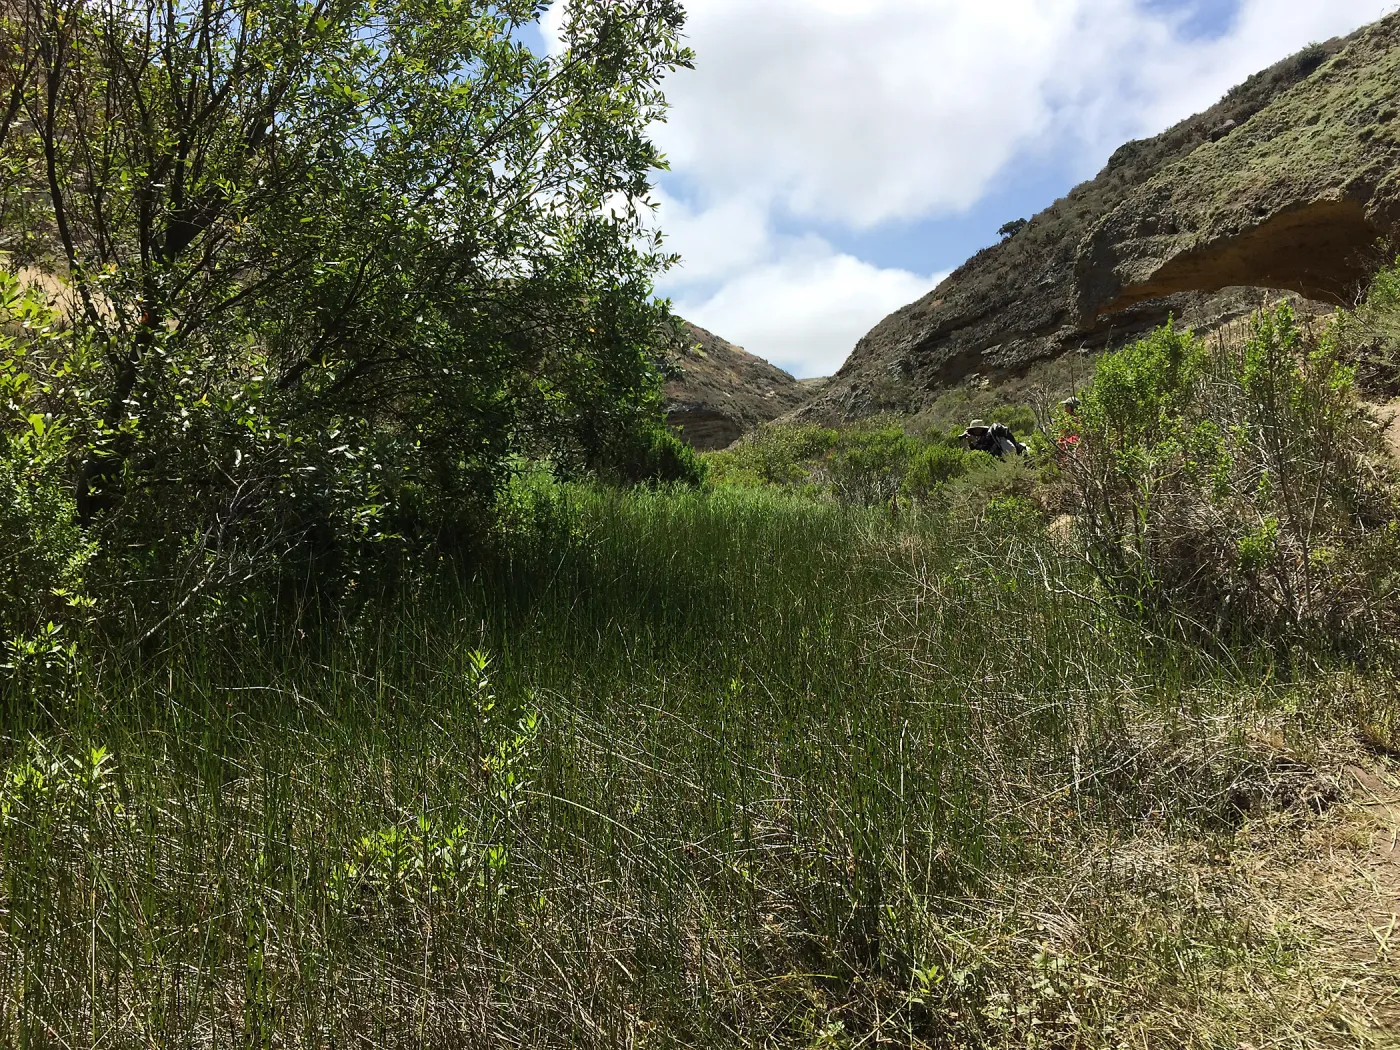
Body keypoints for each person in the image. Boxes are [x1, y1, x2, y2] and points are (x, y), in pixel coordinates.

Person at [960, 419, 1026, 458]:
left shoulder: (989, 435)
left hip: (1008, 458)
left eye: (974, 430)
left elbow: (983, 449)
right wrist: (970, 442)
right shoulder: (985, 436)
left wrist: (974, 440)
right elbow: (976, 449)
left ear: (979, 429)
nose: (973, 432)